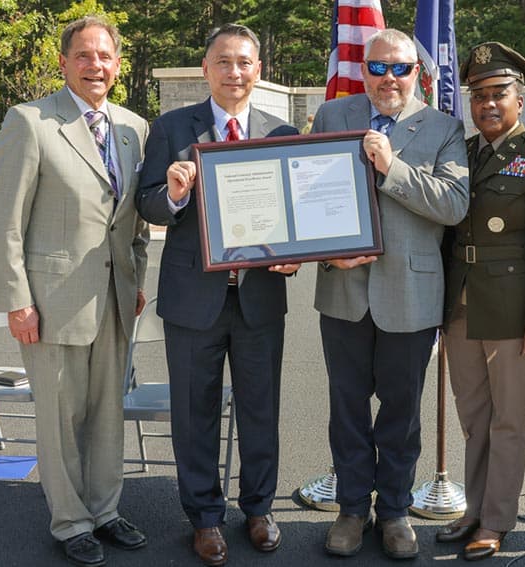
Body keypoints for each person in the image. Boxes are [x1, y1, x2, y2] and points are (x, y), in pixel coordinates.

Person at [0, 15, 150, 567]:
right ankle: (71, 520)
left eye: (104, 56)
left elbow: (136, 224)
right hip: (50, 303)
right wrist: (17, 299)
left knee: (107, 411)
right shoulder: (29, 122)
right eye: (83, 55)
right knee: (61, 418)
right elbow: (3, 221)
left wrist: (137, 280)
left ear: (118, 64)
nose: (94, 65)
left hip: (115, 298)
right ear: (63, 62)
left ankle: (105, 510)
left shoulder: (133, 128)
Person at [135, 23, 298, 567]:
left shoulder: (282, 134)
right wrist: (175, 195)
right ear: (206, 69)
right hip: (192, 300)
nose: (234, 72)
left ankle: (258, 508)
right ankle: (204, 518)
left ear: (259, 70)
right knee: (193, 412)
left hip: (259, 298)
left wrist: (294, 252)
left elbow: (295, 218)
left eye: (245, 62)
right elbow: (148, 205)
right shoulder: (172, 127)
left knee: (261, 409)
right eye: (223, 62)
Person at [311, 28, 469, 560]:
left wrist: (390, 168)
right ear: (363, 72)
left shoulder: (445, 127)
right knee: (347, 408)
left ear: (418, 73)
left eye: (399, 68)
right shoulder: (333, 117)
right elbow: (308, 198)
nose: (388, 78)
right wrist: (326, 252)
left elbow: (452, 206)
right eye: (377, 68)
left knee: (401, 412)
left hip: (412, 293)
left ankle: (396, 511)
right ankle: (353, 509)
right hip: (343, 290)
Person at [436, 42, 525, 561]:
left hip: (514, 310)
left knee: (509, 418)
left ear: (520, 98)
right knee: (473, 416)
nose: (488, 105)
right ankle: (473, 509)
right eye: (479, 96)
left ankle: (496, 519)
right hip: (463, 304)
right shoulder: (464, 154)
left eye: (498, 94)